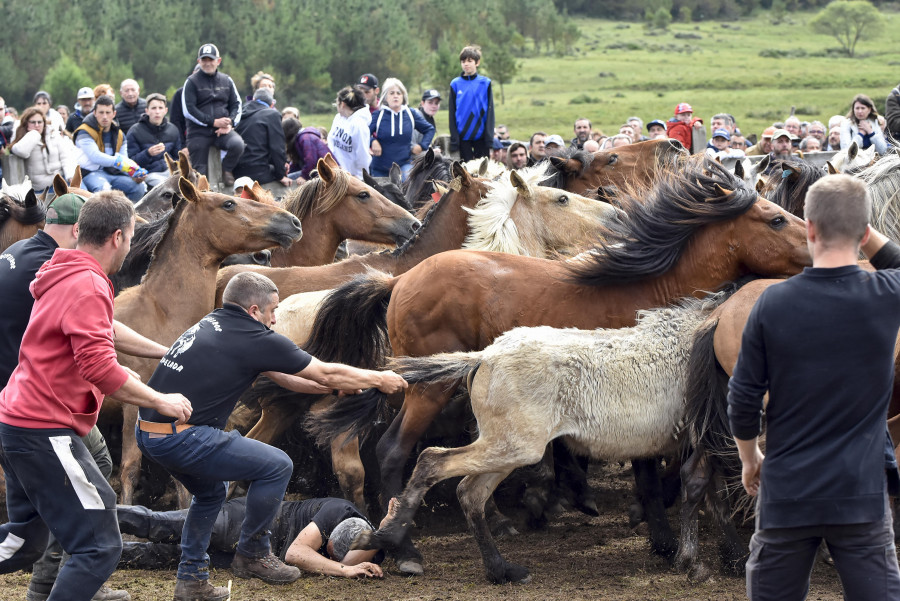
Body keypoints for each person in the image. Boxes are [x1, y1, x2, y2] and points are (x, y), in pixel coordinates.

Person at [135, 272, 407, 600]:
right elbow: (325, 369)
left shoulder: (214, 324)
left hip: (151, 434)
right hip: (181, 437)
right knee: (276, 465)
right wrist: (379, 378)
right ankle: (253, 553)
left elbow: (284, 376)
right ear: (253, 310)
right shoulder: (254, 336)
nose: (275, 318)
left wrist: (333, 388)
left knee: (210, 495)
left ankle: (191, 579)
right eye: (272, 311)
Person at [0, 191, 192, 601]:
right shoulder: (88, 283)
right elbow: (100, 368)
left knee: (25, 540)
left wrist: (163, 349)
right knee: (100, 545)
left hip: (18, 420)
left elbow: (102, 328)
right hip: (45, 428)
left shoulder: (63, 267)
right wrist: (159, 400)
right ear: (119, 237)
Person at [728, 174, 900, 601]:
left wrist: (751, 460)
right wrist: (861, 225)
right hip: (860, 496)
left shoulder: (771, 302)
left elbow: (744, 398)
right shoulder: (886, 293)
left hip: (787, 492)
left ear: (808, 228)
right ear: (863, 233)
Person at [116, 496, 397, 579]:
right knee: (160, 524)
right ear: (330, 534)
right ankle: (90, 515)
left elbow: (362, 550)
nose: (330, 557)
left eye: (337, 557)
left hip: (254, 557)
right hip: (244, 521)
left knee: (165, 557)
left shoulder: (369, 542)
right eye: (329, 550)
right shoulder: (336, 510)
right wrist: (345, 569)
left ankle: (95, 552)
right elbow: (296, 554)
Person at [182, 43, 245, 186]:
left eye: (211, 60)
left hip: (222, 130)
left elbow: (237, 104)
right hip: (198, 132)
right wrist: (213, 122)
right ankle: (199, 194)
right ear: (199, 61)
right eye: (204, 60)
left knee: (238, 144)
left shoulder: (227, 80)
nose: (208, 63)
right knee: (200, 171)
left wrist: (230, 123)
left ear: (218, 61)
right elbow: (188, 110)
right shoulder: (191, 82)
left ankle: (227, 170)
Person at [73, 95, 148, 202]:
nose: (104, 116)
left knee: (139, 187)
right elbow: (95, 156)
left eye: (108, 113)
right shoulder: (84, 131)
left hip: (112, 173)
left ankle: (129, 216)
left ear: (114, 114)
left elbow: (124, 159)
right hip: (89, 173)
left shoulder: (120, 135)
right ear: (94, 113)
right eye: (101, 112)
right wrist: (118, 162)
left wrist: (133, 172)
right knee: (105, 190)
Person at [369, 78, 434, 179]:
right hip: (380, 168)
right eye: (391, 93)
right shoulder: (378, 115)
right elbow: (364, 134)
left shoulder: (410, 114)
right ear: (385, 97)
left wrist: (422, 146)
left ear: (403, 97)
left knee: (407, 187)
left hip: (403, 165)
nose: (395, 96)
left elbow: (429, 129)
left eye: (399, 93)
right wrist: (372, 141)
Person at [10, 107, 75, 195]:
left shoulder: (53, 134)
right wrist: (34, 134)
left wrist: (70, 176)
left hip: (60, 182)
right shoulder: (25, 139)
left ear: (44, 123)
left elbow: (66, 157)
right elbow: (20, 151)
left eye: (40, 122)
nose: (37, 125)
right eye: (33, 122)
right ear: (26, 124)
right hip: (40, 189)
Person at [233, 88, 290, 187]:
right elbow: (277, 148)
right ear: (272, 104)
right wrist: (281, 175)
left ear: (253, 99)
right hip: (259, 173)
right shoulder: (272, 114)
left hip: (237, 172)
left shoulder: (239, 113)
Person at [125, 93, 183, 188]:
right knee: (166, 186)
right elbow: (131, 162)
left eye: (160, 108)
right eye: (153, 108)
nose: (157, 112)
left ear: (165, 111)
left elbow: (177, 157)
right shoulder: (135, 131)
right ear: (147, 111)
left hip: (170, 172)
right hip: (149, 173)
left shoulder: (173, 130)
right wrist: (148, 153)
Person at [449, 45, 494, 161]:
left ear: (477, 62)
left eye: (470, 61)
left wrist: (489, 139)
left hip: (481, 136)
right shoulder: (455, 84)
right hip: (463, 137)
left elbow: (490, 112)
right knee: (465, 173)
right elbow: (452, 112)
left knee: (482, 173)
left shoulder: (485, 83)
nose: (466, 64)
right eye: (463, 61)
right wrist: (455, 139)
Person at [327, 86, 371, 179]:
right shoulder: (338, 118)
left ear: (342, 104)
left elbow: (362, 154)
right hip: (335, 173)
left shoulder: (359, 125)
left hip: (352, 177)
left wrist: (359, 175)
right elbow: (331, 141)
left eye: (337, 103)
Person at [283, 117, 330, 183]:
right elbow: (297, 163)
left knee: (290, 180)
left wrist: (303, 176)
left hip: (325, 173)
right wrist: (288, 170)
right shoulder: (301, 138)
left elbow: (310, 160)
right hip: (317, 170)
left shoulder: (306, 138)